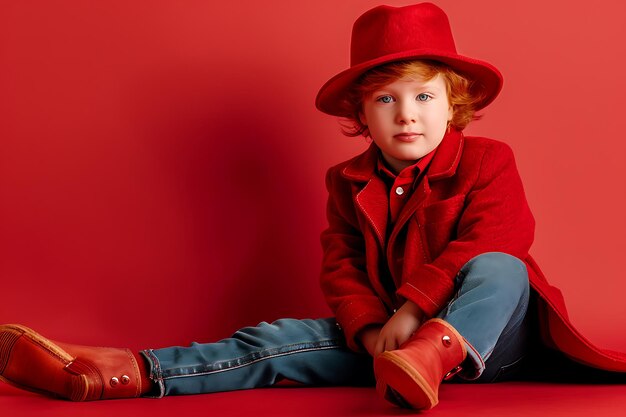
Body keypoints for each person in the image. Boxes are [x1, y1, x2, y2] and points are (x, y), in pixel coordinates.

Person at [1, 2, 625, 410]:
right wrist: (375, 331)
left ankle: (431, 356)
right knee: (276, 342)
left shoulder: (489, 159)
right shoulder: (347, 181)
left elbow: (500, 236)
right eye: (385, 100)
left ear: (453, 102)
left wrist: (413, 315)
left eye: (424, 96)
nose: (407, 114)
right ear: (360, 115)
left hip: (492, 344)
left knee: (501, 267)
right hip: (389, 347)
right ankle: (121, 373)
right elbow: (342, 266)